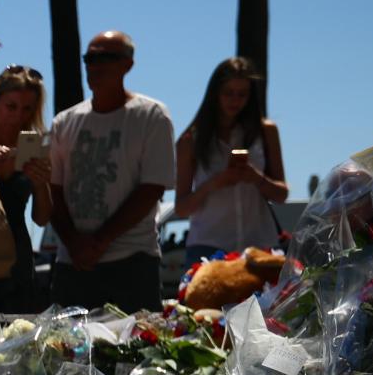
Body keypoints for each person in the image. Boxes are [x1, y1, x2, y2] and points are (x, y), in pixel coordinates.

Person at [47, 32, 175, 315]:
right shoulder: (64, 122)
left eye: (108, 57)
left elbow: (152, 189)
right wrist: (74, 244)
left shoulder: (151, 116)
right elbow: (52, 190)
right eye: (91, 58)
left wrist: (99, 242)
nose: (97, 65)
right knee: (68, 353)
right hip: (72, 264)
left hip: (131, 262)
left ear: (128, 65)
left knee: (137, 355)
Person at [175, 57, 289, 263]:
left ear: (250, 96)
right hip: (208, 246)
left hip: (259, 244)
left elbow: (282, 194)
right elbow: (181, 208)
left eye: (242, 94)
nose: (234, 100)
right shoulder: (190, 139)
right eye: (228, 93)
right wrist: (215, 183)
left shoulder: (266, 131)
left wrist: (256, 177)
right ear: (215, 94)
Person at [0, 64, 52, 314]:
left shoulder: (32, 146)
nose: (18, 115)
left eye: (27, 108)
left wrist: (41, 184)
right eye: (11, 107)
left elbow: (41, 219)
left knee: (15, 331)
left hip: (16, 255)